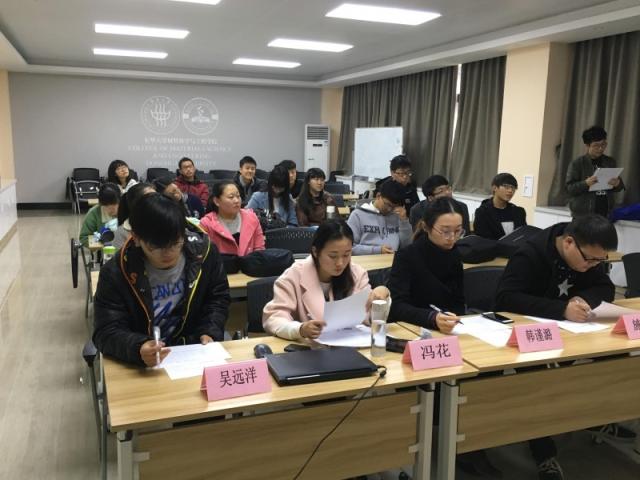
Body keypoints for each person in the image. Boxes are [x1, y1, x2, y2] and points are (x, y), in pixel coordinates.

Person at [494, 214, 635, 479]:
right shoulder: (530, 254)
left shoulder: (588, 253)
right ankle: (543, 451)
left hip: (572, 333)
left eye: (599, 261)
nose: (592, 265)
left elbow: (604, 287)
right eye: (589, 260)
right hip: (528, 337)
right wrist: (561, 309)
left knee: (613, 359)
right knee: (541, 383)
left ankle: (597, 417)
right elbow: (506, 298)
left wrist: (583, 298)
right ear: (569, 242)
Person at [93, 193, 230, 367]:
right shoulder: (116, 271)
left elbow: (217, 297)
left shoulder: (204, 253)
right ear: (136, 238)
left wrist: (209, 330)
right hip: (143, 363)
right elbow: (105, 331)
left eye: (175, 244)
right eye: (156, 246)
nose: (168, 253)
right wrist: (138, 348)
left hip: (192, 353)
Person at [262, 219, 390, 340]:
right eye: (333, 256)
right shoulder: (294, 275)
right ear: (315, 252)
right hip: (308, 349)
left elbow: (368, 317)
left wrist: (380, 299)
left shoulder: (357, 273)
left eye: (346, 255)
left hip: (350, 344)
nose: (340, 263)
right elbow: (274, 317)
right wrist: (299, 329)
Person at [388, 197, 466, 331]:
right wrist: (431, 318)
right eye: (445, 231)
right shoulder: (407, 256)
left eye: (458, 231)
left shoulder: (455, 254)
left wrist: (455, 318)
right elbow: (396, 306)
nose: (452, 237)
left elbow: (458, 301)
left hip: (449, 328)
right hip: (413, 328)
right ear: (426, 227)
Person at [566, 125, 625, 218]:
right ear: (587, 145)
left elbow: (619, 187)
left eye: (603, 144)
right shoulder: (577, 163)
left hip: (605, 213)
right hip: (583, 215)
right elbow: (569, 189)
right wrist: (586, 183)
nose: (601, 148)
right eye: (596, 145)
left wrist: (618, 184)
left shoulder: (610, 162)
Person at [200, 180, 265, 256]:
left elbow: (259, 250)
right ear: (217, 201)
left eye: (238, 196)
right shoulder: (206, 224)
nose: (236, 201)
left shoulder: (251, 217)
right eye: (231, 197)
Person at [346, 179, 411, 255]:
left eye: (394, 207)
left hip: (393, 259)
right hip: (367, 260)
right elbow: (349, 248)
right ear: (378, 196)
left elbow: (407, 246)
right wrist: (377, 250)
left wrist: (404, 222)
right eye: (388, 204)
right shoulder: (358, 215)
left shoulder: (398, 215)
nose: (389, 209)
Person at [474, 172, 527, 240]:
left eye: (513, 188)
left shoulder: (519, 212)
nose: (510, 191)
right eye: (506, 187)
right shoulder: (482, 212)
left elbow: (523, 236)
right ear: (494, 188)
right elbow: (483, 241)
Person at [113, 182, 156, 250]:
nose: (158, 200)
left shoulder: (166, 221)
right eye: (152, 198)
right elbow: (119, 256)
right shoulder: (122, 232)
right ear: (136, 205)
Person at [79, 182, 120, 246]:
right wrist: (100, 241)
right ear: (101, 204)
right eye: (107, 206)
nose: (111, 210)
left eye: (114, 205)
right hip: (103, 249)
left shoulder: (127, 210)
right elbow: (84, 238)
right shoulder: (93, 213)